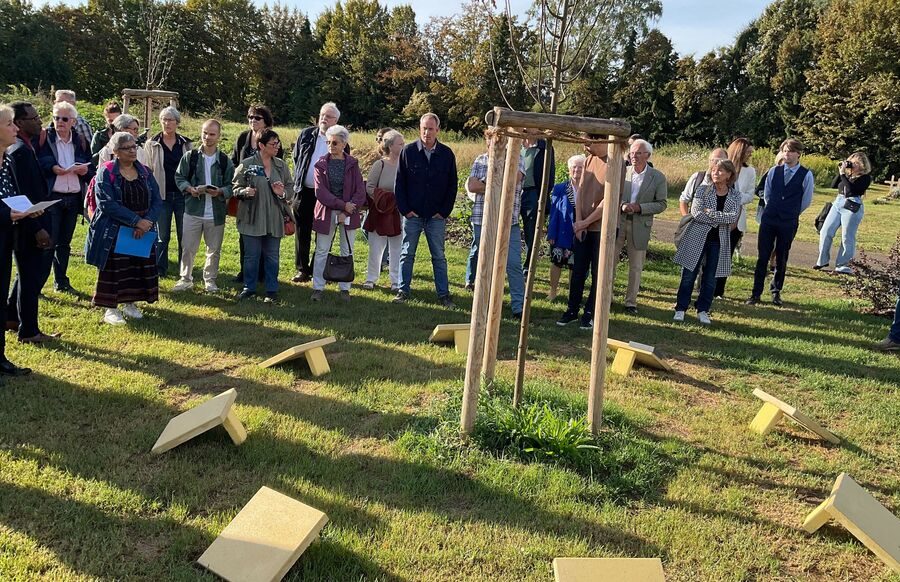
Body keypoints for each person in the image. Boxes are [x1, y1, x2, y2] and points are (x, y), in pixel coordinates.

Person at [84, 132, 162, 325]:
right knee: (114, 269)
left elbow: (157, 200)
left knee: (135, 266)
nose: (132, 150)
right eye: (127, 148)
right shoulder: (106, 171)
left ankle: (130, 303)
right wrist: (136, 221)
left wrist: (146, 222)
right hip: (114, 230)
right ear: (116, 151)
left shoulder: (145, 172)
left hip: (142, 229)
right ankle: (111, 308)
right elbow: (106, 203)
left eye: (134, 146)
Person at [393, 113, 458, 308]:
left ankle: (444, 295)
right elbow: (399, 184)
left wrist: (444, 211)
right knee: (407, 254)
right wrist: (405, 210)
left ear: (438, 130)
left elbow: (452, 186)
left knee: (438, 256)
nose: (426, 132)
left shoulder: (446, 155)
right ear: (419, 129)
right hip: (413, 214)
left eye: (430, 129)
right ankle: (403, 291)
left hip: (436, 216)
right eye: (423, 128)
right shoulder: (408, 151)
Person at [6, 102, 57, 343]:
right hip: (29, 224)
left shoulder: (26, 147)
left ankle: (12, 317)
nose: (39, 121)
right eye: (34, 118)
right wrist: (37, 229)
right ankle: (29, 331)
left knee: (26, 275)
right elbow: (22, 194)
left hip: (33, 219)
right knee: (31, 277)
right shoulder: (19, 152)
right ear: (19, 123)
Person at [0, 104, 45, 374]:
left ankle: (1, 359)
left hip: (6, 239)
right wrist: (10, 214)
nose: (15, 128)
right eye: (9, 124)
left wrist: (27, 209)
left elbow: (10, 195)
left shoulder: (6, 160)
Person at [464, 131, 526, 317]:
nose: (495, 145)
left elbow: (512, 182)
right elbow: (472, 186)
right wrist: (496, 184)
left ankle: (519, 307)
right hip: (482, 219)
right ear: (487, 142)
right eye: (491, 141)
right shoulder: (480, 160)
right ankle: (485, 304)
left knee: (513, 264)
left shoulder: (517, 159)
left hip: (509, 221)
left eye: (500, 141)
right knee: (485, 264)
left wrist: (486, 183)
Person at [746, 138, 815, 307]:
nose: (787, 154)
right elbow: (767, 194)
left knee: (782, 256)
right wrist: (773, 208)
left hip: (788, 220)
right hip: (770, 218)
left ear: (798, 154)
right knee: (763, 256)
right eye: (784, 151)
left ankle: (776, 291)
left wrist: (791, 212)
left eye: (791, 151)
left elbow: (806, 199)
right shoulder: (774, 171)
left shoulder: (806, 174)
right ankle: (756, 293)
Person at [672, 159, 742, 325]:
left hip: (719, 240)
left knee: (711, 277)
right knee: (689, 274)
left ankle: (703, 309)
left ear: (729, 175)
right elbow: (696, 213)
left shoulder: (735, 195)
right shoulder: (703, 190)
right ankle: (681, 308)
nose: (715, 173)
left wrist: (711, 213)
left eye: (720, 171)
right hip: (697, 237)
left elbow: (733, 217)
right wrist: (719, 218)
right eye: (714, 170)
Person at [172, 119, 235, 294]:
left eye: (212, 134)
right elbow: (179, 177)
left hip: (215, 212)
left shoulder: (224, 161)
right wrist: (189, 188)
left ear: (219, 136)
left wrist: (220, 191)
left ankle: (210, 281)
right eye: (205, 133)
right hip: (193, 209)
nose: (207, 137)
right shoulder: (190, 156)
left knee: (213, 250)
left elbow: (232, 185)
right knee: (188, 248)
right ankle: (185, 279)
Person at [38, 100, 94, 294]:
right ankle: (37, 283)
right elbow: (39, 162)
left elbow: (90, 168)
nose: (59, 122)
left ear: (73, 121)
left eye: (64, 118)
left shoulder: (80, 140)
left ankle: (61, 281)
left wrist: (83, 170)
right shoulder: (45, 138)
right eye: (55, 117)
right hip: (53, 197)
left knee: (64, 244)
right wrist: (53, 168)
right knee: (48, 242)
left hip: (73, 198)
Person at [232, 129, 294, 302]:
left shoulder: (281, 165)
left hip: (274, 217)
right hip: (252, 217)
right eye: (273, 144)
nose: (277, 147)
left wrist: (282, 193)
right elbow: (234, 187)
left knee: (272, 255)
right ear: (261, 145)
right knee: (251, 256)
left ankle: (271, 290)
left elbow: (291, 189)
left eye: (278, 143)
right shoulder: (247, 164)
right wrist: (245, 191)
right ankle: (249, 287)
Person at [292, 102, 347, 283]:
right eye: (322, 115)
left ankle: (319, 267)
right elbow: (296, 157)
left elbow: (344, 166)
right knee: (302, 231)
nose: (324, 118)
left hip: (327, 196)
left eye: (329, 116)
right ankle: (302, 270)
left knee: (324, 233)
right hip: (304, 191)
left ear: (336, 121)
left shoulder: (341, 140)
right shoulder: (307, 134)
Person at [310, 125, 366, 301]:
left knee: (347, 250)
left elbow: (360, 191)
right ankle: (318, 288)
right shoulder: (320, 164)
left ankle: (345, 288)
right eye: (328, 142)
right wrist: (343, 206)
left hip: (349, 212)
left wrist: (347, 211)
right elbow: (321, 193)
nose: (330, 146)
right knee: (321, 250)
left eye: (334, 142)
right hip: (327, 212)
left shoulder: (353, 163)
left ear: (343, 144)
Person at [557, 141, 609, 329]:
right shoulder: (587, 161)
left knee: (598, 273)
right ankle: (572, 309)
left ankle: (589, 313)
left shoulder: (615, 163)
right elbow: (579, 193)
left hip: (602, 229)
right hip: (583, 226)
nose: (585, 146)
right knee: (578, 271)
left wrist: (586, 222)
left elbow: (608, 201)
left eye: (589, 143)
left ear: (602, 141)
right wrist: (579, 223)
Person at [231, 105, 283, 284]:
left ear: (266, 121)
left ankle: (263, 274)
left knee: (267, 237)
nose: (252, 120)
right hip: (247, 193)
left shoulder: (273, 140)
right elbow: (235, 161)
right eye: (250, 117)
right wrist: (241, 187)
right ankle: (246, 273)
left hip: (268, 196)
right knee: (247, 235)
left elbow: (279, 166)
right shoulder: (243, 138)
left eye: (257, 117)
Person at [616, 138, 667, 315]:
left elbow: (661, 204)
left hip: (640, 225)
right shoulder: (622, 171)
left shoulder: (657, 177)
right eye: (631, 152)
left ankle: (630, 302)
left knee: (636, 266)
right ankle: (605, 297)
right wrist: (622, 204)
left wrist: (640, 208)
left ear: (647, 155)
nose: (634, 156)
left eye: (638, 153)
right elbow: (612, 193)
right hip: (619, 222)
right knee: (610, 261)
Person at [145, 106, 192, 278]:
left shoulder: (186, 144)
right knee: (162, 236)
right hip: (161, 196)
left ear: (177, 123)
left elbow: (192, 170)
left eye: (170, 120)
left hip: (182, 195)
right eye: (164, 119)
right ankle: (160, 268)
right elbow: (147, 170)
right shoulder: (151, 144)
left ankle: (184, 269)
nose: (167, 123)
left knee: (184, 235)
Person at [815, 152, 872, 274]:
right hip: (838, 202)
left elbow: (851, 190)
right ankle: (822, 260)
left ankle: (843, 264)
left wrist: (843, 175)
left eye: (855, 163)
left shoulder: (865, 178)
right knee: (826, 231)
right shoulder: (847, 175)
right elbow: (833, 185)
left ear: (862, 165)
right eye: (851, 162)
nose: (853, 165)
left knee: (847, 236)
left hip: (852, 205)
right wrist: (841, 171)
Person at [714, 138, 757, 298]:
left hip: (736, 220)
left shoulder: (750, 171)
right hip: (715, 216)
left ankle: (719, 290)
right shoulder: (720, 166)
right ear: (740, 151)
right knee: (711, 254)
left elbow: (750, 195)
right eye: (748, 152)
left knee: (726, 255)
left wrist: (733, 197)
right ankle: (704, 286)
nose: (750, 156)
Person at [362, 129, 403, 291]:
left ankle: (395, 281)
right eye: (400, 144)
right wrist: (384, 199)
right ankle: (371, 279)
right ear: (391, 146)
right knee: (376, 246)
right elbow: (370, 187)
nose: (403, 146)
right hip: (379, 211)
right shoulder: (380, 164)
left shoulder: (404, 165)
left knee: (396, 247)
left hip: (398, 212)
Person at [546, 155, 584, 302]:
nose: (577, 170)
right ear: (569, 169)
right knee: (557, 263)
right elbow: (554, 212)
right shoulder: (560, 188)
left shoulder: (588, 187)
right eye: (574, 167)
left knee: (575, 266)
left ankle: (572, 294)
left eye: (580, 167)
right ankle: (553, 291)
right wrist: (551, 233)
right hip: (562, 232)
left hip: (580, 232)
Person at [519, 136, 554, 274]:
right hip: (515, 192)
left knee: (531, 232)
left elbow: (549, 176)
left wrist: (542, 197)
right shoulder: (515, 144)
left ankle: (528, 266)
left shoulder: (544, 147)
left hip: (533, 193)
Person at [679, 148, 727, 215]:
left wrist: (733, 225)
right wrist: (687, 221)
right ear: (709, 161)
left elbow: (738, 205)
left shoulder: (733, 183)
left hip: (722, 224)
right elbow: (683, 201)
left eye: (720, 160)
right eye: (713, 160)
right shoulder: (697, 178)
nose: (716, 163)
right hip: (696, 224)